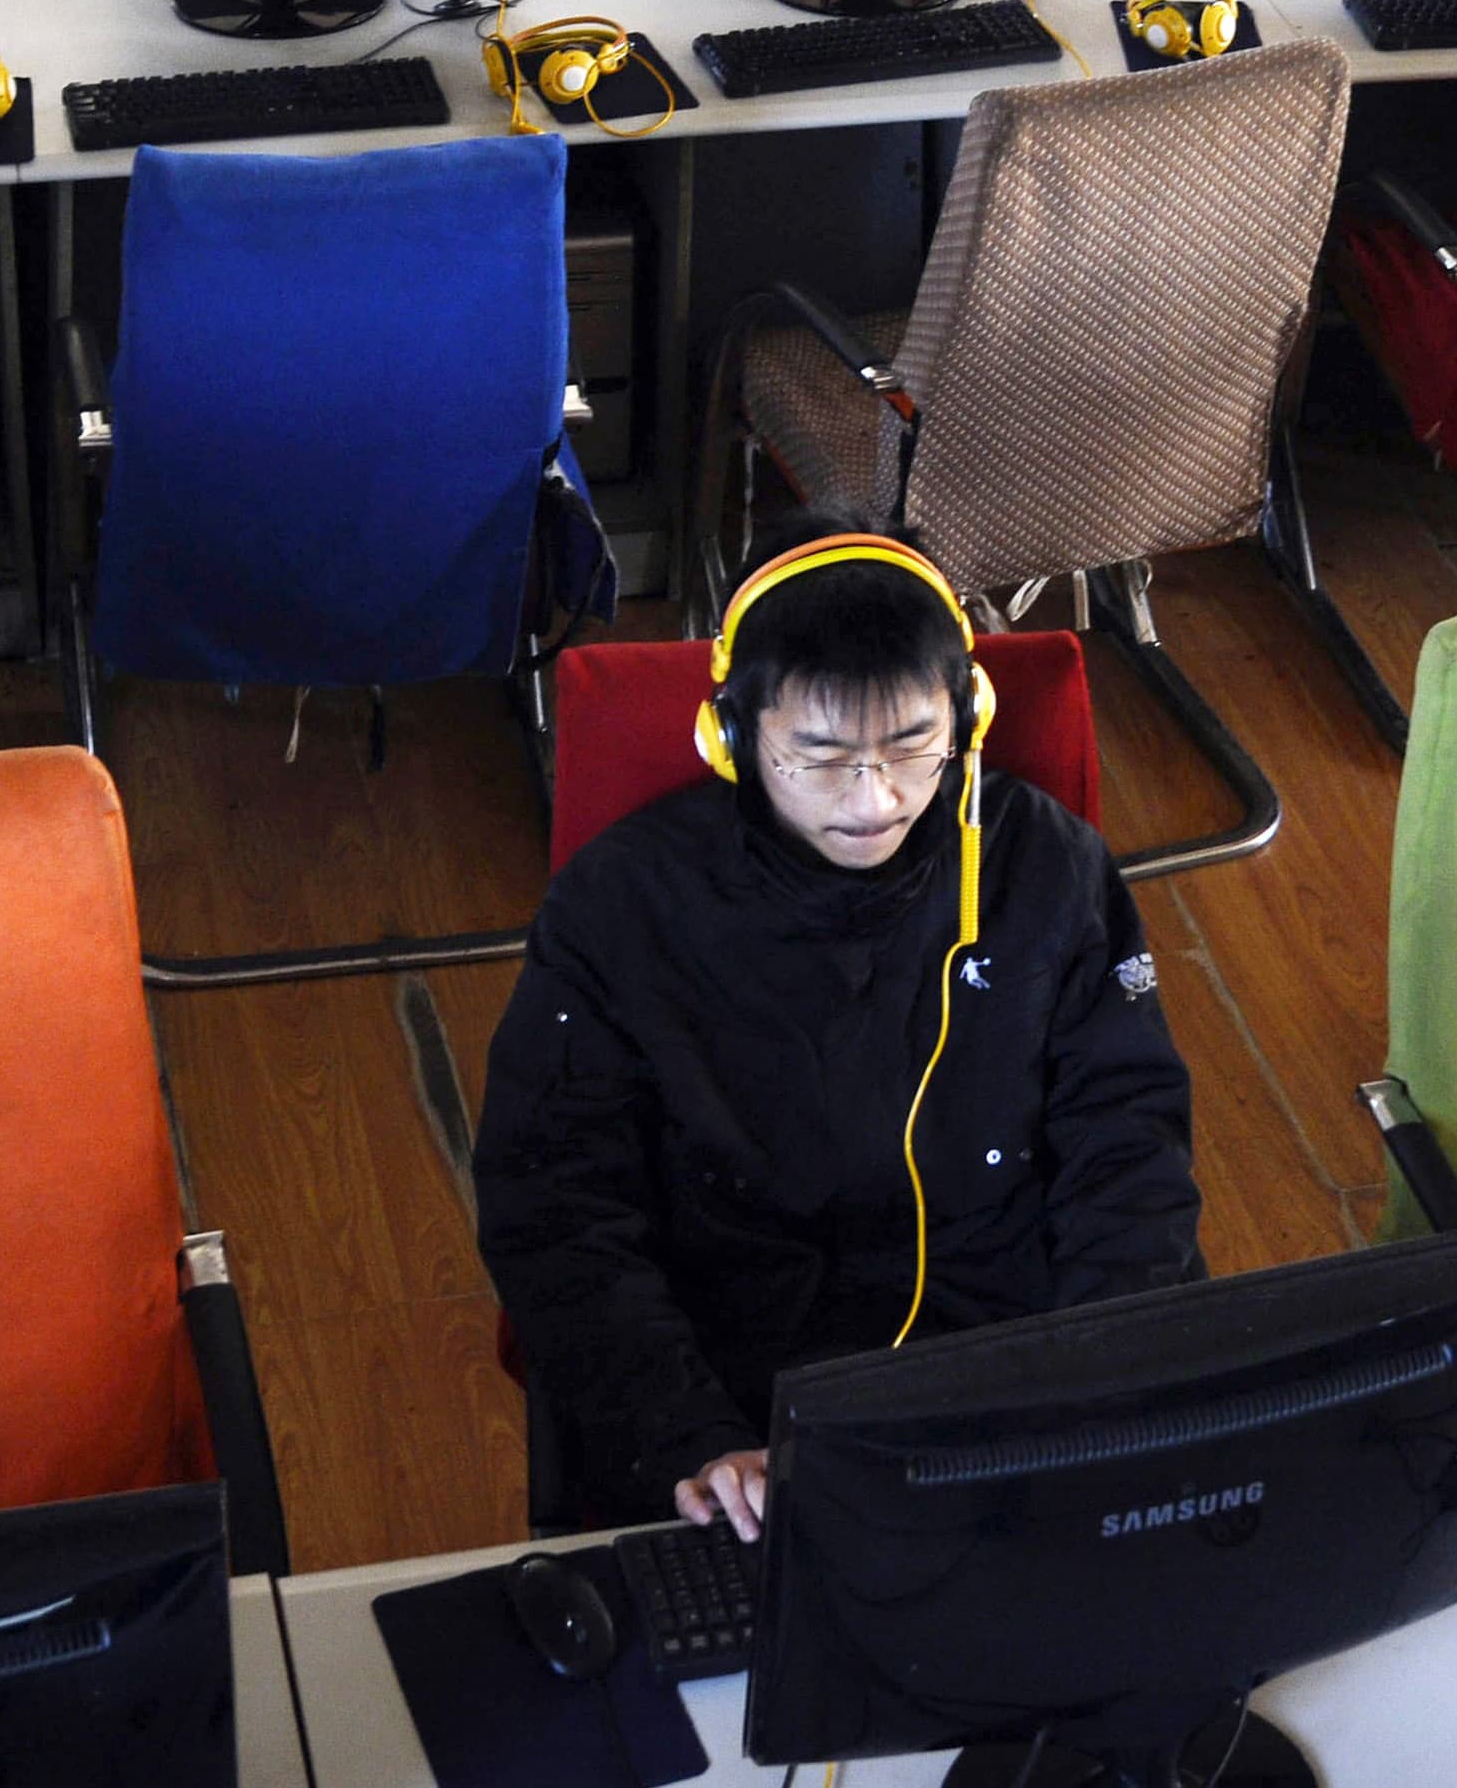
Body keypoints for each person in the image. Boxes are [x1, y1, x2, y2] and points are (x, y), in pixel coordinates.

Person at [475, 516, 1203, 1539]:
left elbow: (1128, 1144)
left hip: (1003, 1349)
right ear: (730, 738)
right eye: (816, 755)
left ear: (969, 717)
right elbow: (552, 1196)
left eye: (912, 746)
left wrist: (1082, 1383)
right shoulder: (620, 905)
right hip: (726, 1359)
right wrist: (687, 1431)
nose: (874, 798)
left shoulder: (1049, 866)